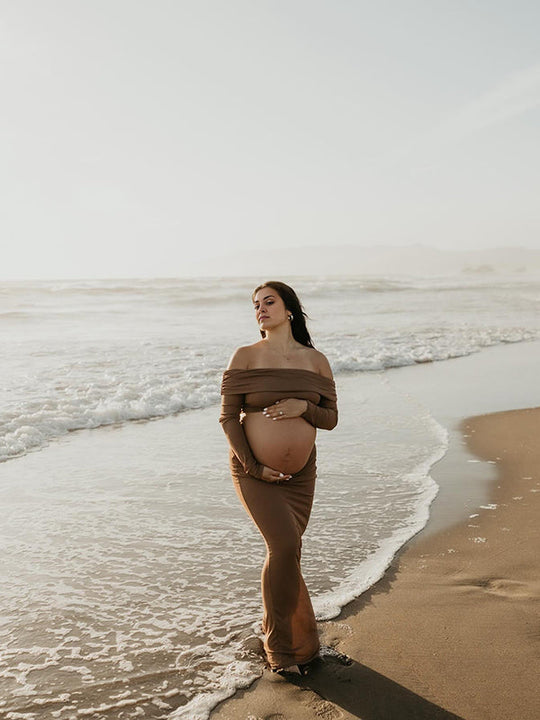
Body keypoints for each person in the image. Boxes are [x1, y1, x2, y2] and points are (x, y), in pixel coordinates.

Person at [219, 281, 338, 675]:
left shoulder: (316, 361)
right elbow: (227, 419)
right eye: (255, 305)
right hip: (254, 471)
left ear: (289, 309)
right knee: (284, 545)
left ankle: (303, 645)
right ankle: (278, 648)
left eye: (269, 302)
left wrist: (303, 406)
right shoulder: (246, 356)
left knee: (289, 553)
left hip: (301, 477)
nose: (260, 309)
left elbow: (331, 419)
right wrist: (254, 466)